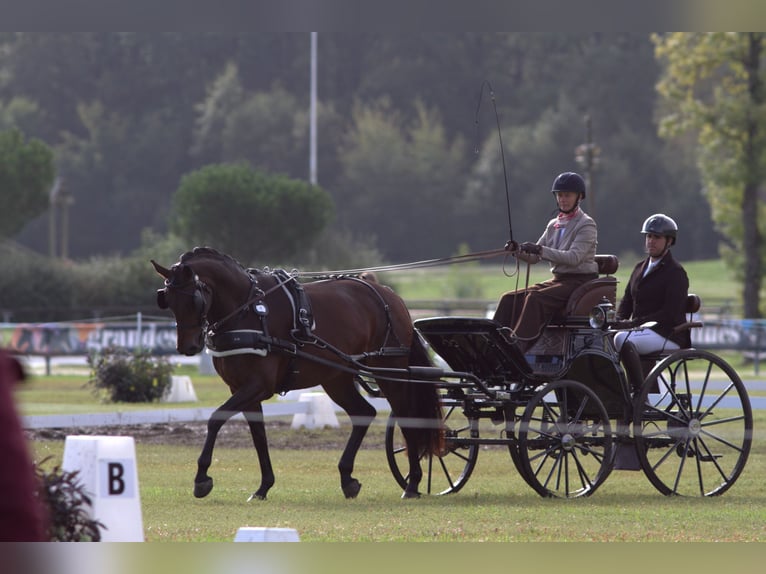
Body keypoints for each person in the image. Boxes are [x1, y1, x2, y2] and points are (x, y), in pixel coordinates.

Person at [493, 171, 598, 353]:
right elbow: (534, 258)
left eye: (567, 195)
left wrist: (540, 249)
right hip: (558, 280)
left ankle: (517, 347)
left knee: (535, 299)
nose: (563, 199)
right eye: (560, 195)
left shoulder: (586, 224)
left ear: (579, 197)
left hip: (579, 281)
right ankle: (494, 343)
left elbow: (574, 258)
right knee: (509, 298)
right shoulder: (553, 225)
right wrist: (517, 251)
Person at [614, 213, 691, 356]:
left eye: (657, 237)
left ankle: (636, 379)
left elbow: (670, 313)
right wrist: (618, 321)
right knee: (607, 337)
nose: (651, 241)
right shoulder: (638, 268)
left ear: (669, 241)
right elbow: (627, 301)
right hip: (641, 332)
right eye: (649, 236)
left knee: (622, 339)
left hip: (668, 334)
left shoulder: (676, 272)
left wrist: (634, 323)